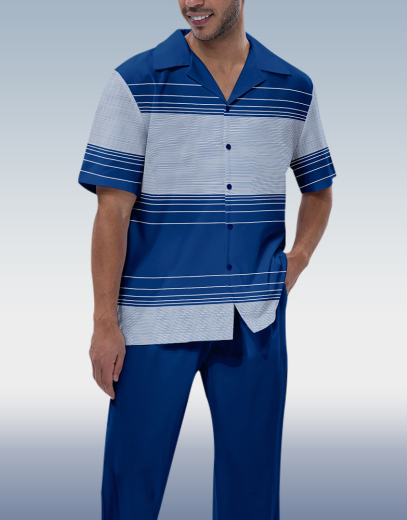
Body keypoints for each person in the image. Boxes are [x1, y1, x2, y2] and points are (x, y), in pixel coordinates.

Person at [78, 1, 336, 518]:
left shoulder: (293, 87)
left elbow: (318, 189)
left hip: (254, 319)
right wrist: (105, 322)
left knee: (252, 491)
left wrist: (299, 259)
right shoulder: (134, 82)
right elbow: (112, 211)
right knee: (131, 486)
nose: (192, 2)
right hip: (153, 320)